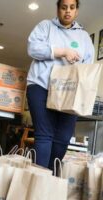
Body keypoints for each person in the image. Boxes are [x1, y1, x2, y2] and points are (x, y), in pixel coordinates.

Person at [26, 0, 94, 170]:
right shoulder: (45, 26)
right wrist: (62, 51)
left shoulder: (84, 37)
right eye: (64, 7)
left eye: (72, 8)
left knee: (63, 138)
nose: (67, 11)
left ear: (77, 11)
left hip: (69, 91)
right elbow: (33, 48)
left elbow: (88, 65)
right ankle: (39, 179)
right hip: (41, 86)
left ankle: (48, 178)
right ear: (58, 9)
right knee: (44, 135)